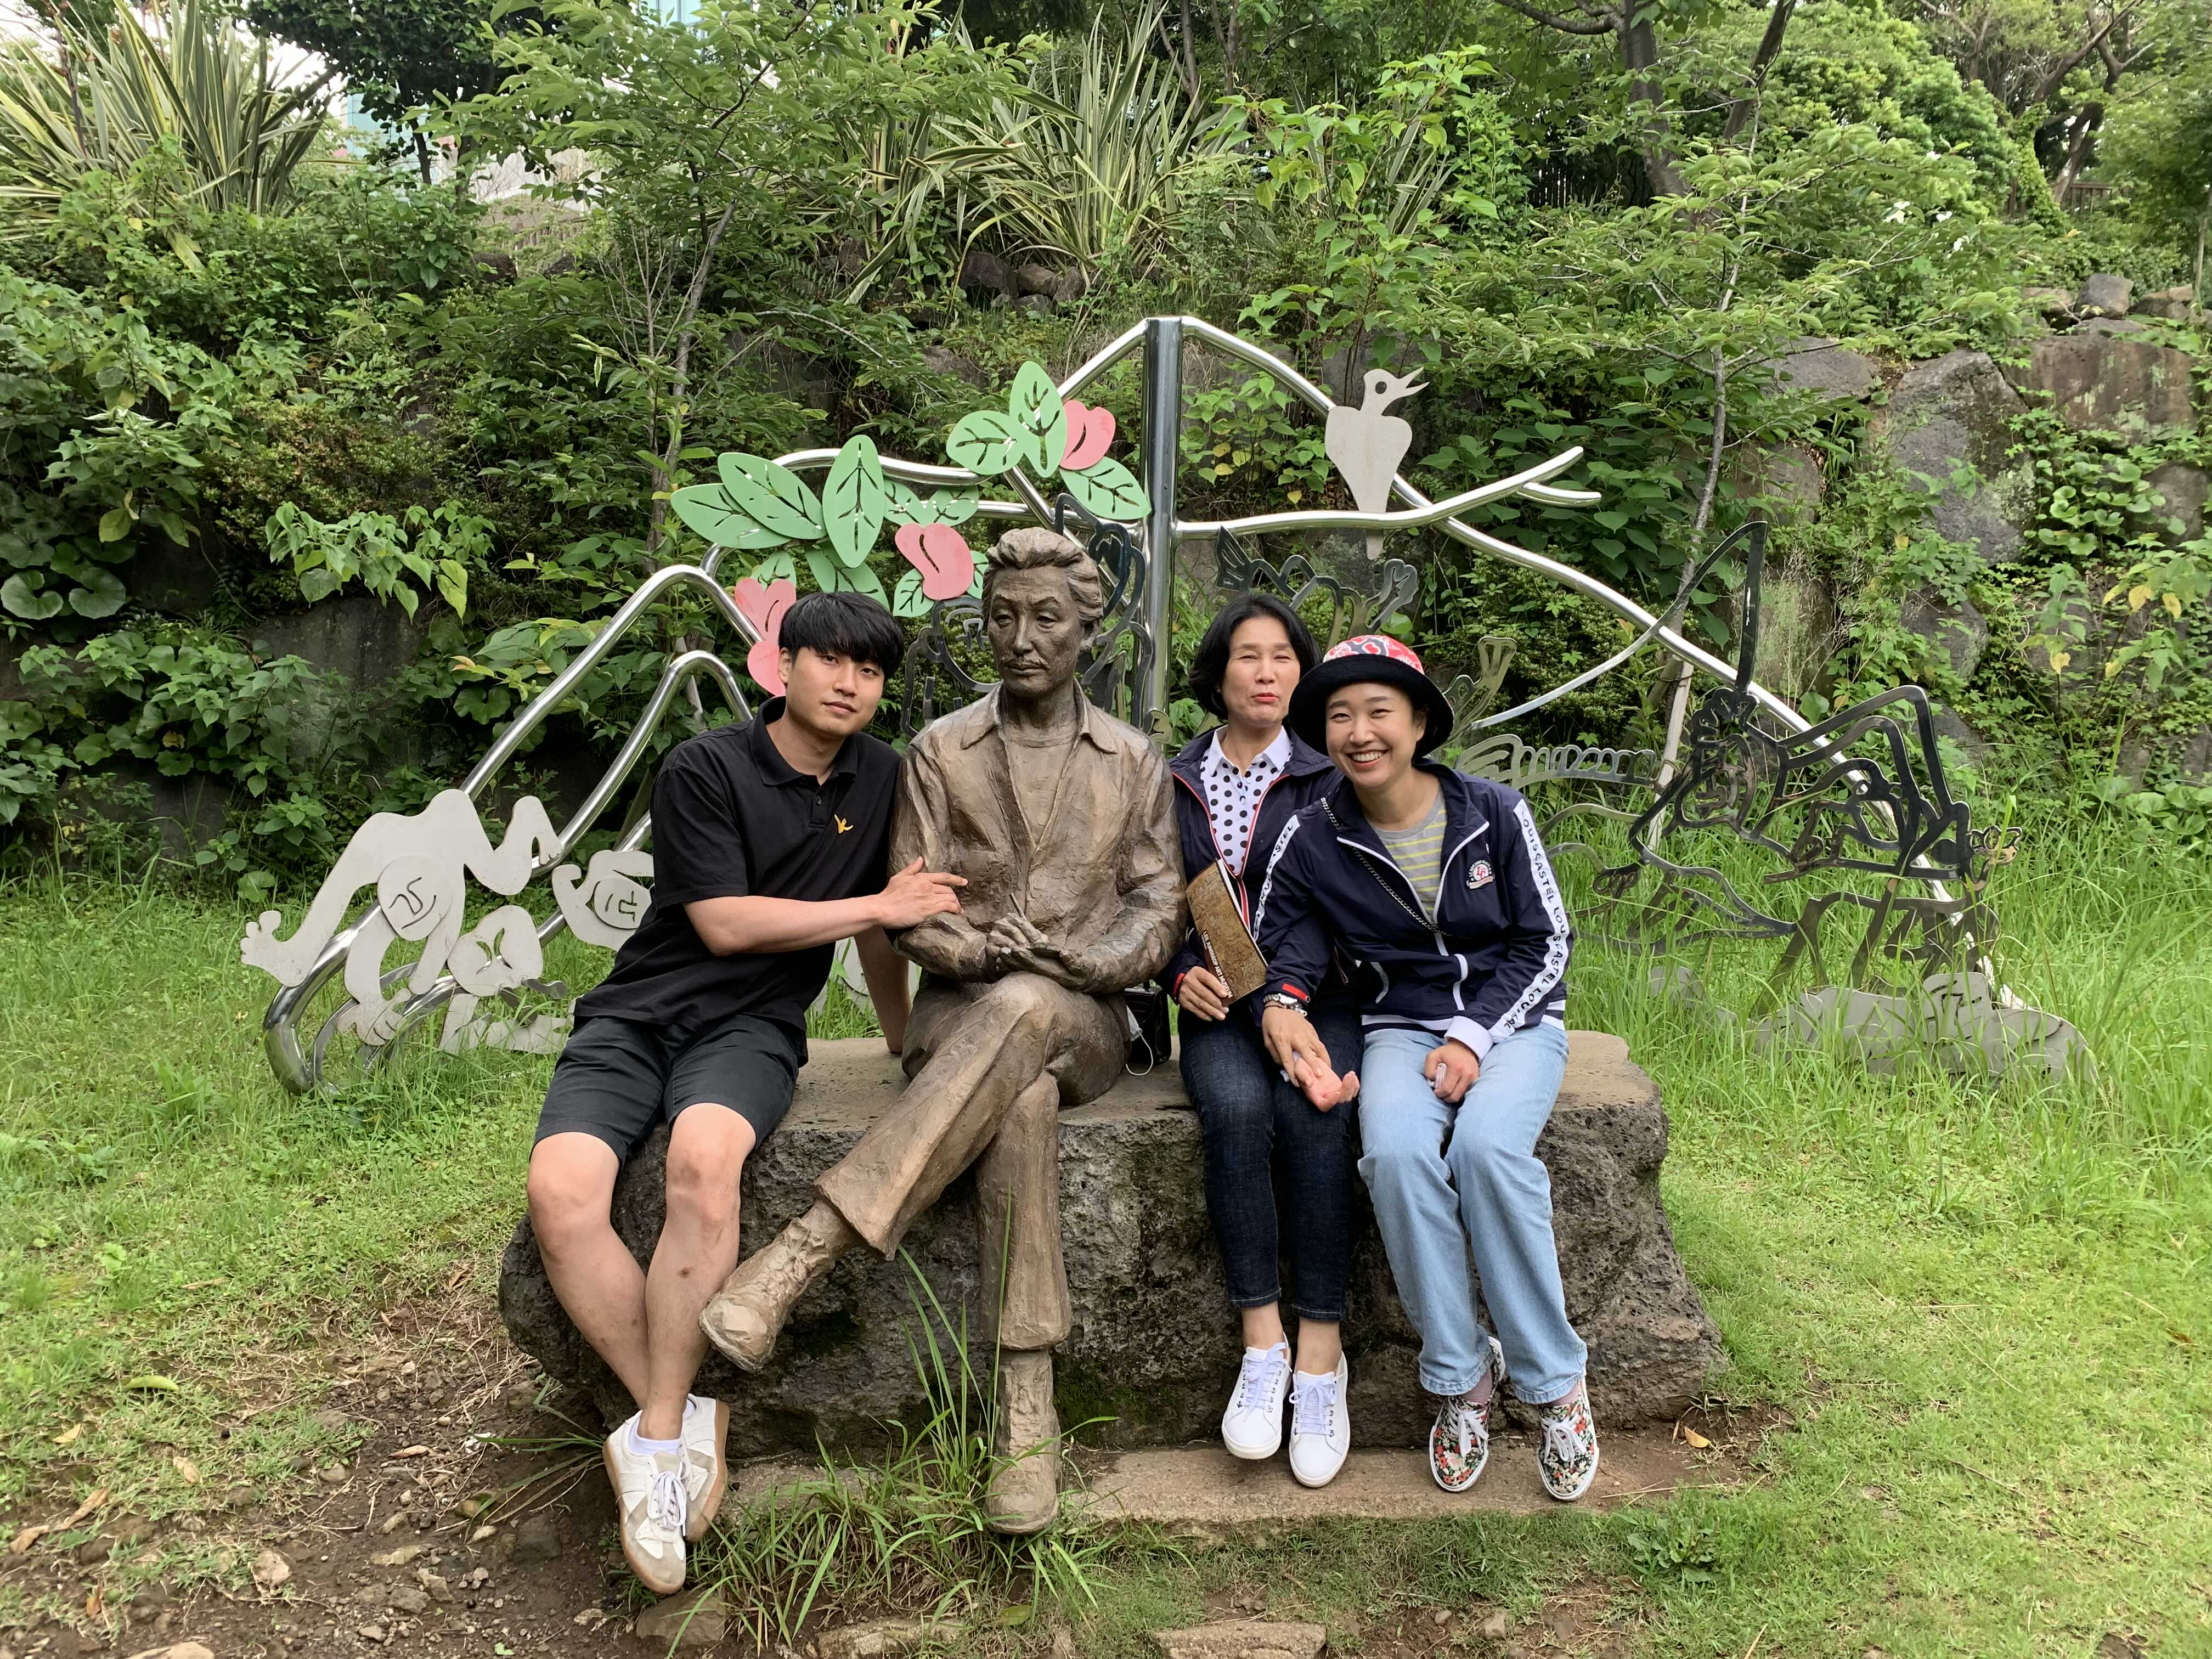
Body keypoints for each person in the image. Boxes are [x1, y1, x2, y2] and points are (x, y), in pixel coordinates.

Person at [697, 527, 1183, 1536]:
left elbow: (1157, 905)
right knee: (1021, 1094)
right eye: (1002, 617)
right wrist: (971, 949)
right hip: (960, 1008)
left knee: (1034, 1016)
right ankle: (1024, 1404)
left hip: (1084, 1014)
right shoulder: (940, 750)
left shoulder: (1132, 759)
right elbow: (907, 905)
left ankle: (807, 1249)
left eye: (1046, 618)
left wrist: (1092, 961)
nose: (1022, 638)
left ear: (1087, 632)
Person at [524, 591, 967, 1595]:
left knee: (703, 1162)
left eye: (870, 670)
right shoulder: (706, 767)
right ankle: (676, 1423)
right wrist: (880, 902)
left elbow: (878, 928)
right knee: (559, 1193)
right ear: (783, 665)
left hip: (753, 1028)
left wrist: (901, 1041)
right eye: (831, 661)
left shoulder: (885, 776)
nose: (850, 684)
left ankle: (653, 1440)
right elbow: (723, 923)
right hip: (638, 1014)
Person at [1249, 634, 1599, 1502]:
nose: (1359, 732)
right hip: (1400, 1029)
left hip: (1515, 1028)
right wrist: (1283, 1001)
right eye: (1339, 716)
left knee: (1487, 1152)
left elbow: (1548, 941)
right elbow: (1286, 937)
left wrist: (1475, 1036)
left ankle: (1554, 1383)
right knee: (1398, 1157)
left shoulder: (1495, 812)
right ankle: (1461, 1379)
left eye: (1379, 711)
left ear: (1418, 724)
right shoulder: (1315, 831)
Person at [1164, 595, 1363, 1487]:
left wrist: (1283, 998)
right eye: (1249, 655)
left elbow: (1329, 904)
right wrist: (1178, 971)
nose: (1268, 672)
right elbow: (1152, 896)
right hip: (1214, 1007)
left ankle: (1320, 1358)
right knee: (1239, 1112)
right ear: (1218, 673)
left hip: (1320, 997)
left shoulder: (1328, 774)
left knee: (1316, 1117)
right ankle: (1263, 1345)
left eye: (1284, 656)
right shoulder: (1172, 780)